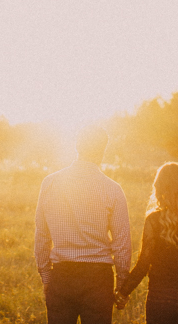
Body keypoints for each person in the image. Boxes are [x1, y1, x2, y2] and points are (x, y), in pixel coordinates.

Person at [34, 125, 132, 324]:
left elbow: (42, 236)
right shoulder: (113, 189)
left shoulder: (50, 183)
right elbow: (122, 244)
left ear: (77, 146)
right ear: (103, 150)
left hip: (62, 276)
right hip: (98, 279)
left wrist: (46, 277)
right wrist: (121, 285)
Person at [114, 162, 178, 324]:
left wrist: (122, 294)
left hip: (159, 301)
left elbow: (143, 265)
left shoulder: (154, 221)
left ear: (160, 189)